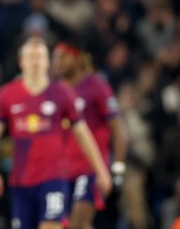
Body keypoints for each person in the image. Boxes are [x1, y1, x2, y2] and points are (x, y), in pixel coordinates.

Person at [0, 36, 112, 229]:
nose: (35, 61)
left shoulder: (62, 93)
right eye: (31, 56)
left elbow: (83, 134)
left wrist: (101, 171)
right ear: (21, 62)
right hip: (21, 180)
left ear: (47, 62)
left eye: (40, 56)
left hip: (53, 177)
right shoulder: (7, 94)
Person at [52, 41, 128, 229]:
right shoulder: (55, 91)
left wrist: (118, 168)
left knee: (78, 222)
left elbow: (118, 130)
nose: (57, 62)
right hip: (62, 170)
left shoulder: (96, 86)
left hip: (90, 167)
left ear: (77, 58)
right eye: (55, 58)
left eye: (63, 57)